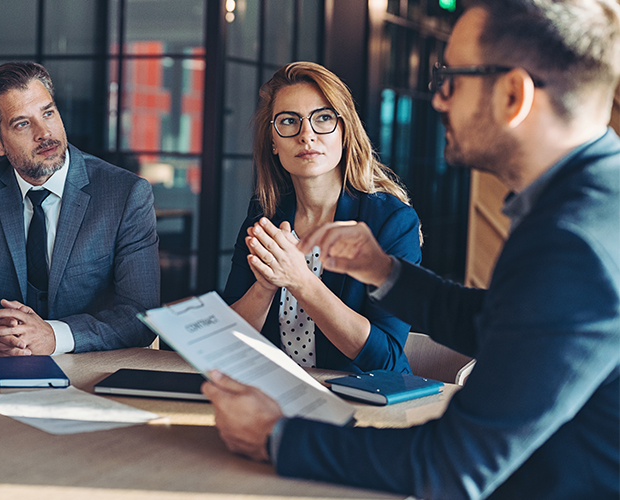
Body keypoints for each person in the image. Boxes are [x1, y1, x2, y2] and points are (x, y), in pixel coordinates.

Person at [203, 0, 620, 498]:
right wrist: (383, 271)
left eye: (453, 79)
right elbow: (501, 318)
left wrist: (275, 436)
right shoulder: (590, 202)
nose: (438, 100)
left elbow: (451, 464)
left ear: (513, 94)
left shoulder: (571, 242)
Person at [0, 62, 159, 356]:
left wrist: (54, 336)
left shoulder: (125, 194)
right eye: (22, 123)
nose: (44, 132)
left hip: (93, 369)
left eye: (48, 113)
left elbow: (140, 313)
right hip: (3, 363)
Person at [223, 62, 421, 373]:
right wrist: (264, 286)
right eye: (289, 121)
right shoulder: (264, 215)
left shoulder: (392, 222)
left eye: (323, 118)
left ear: (344, 132)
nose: (306, 135)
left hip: (365, 402)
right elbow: (228, 344)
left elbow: (386, 358)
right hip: (278, 396)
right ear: (273, 142)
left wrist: (300, 280)